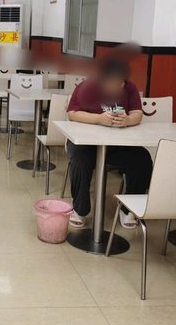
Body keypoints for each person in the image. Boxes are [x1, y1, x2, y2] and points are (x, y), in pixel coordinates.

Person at [66, 59, 153, 229]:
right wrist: (98, 119)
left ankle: (128, 209)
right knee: (78, 160)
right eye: (113, 83)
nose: (118, 87)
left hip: (118, 144)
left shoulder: (130, 88)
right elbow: (72, 114)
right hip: (86, 143)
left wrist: (128, 120)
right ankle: (80, 209)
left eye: (121, 83)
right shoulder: (87, 87)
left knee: (142, 159)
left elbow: (137, 113)